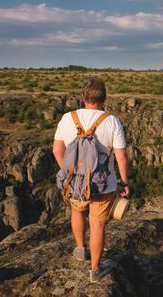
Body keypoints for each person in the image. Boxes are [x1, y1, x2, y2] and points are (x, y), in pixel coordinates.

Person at [52, 77, 130, 283]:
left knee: (77, 211)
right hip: (103, 185)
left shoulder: (68, 118)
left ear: (83, 97)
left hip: (75, 182)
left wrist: (71, 174)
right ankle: (95, 270)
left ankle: (80, 249)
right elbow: (121, 156)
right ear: (104, 98)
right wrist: (124, 182)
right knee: (97, 224)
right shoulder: (111, 121)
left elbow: (57, 150)